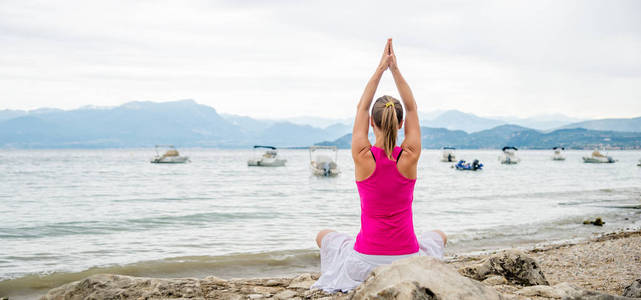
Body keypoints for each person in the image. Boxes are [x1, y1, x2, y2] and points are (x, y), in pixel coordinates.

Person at [311, 39, 447, 293]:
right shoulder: (409, 156)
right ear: (400, 124)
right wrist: (395, 69)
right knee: (439, 235)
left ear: (372, 124)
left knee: (324, 235)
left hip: (365, 261)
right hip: (407, 258)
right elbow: (412, 107)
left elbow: (362, 107)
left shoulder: (362, 155)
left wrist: (380, 68)